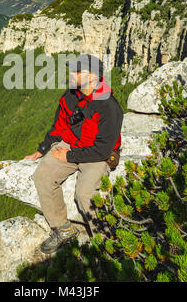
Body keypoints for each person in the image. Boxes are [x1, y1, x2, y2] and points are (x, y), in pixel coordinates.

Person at [24, 54, 123, 254]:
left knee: (85, 194)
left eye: (78, 71)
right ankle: (63, 229)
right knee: (42, 177)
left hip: (96, 153)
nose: (71, 74)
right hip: (70, 144)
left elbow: (103, 149)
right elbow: (59, 126)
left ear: (93, 77)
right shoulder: (70, 96)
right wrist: (42, 149)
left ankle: (106, 243)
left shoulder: (109, 106)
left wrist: (69, 157)